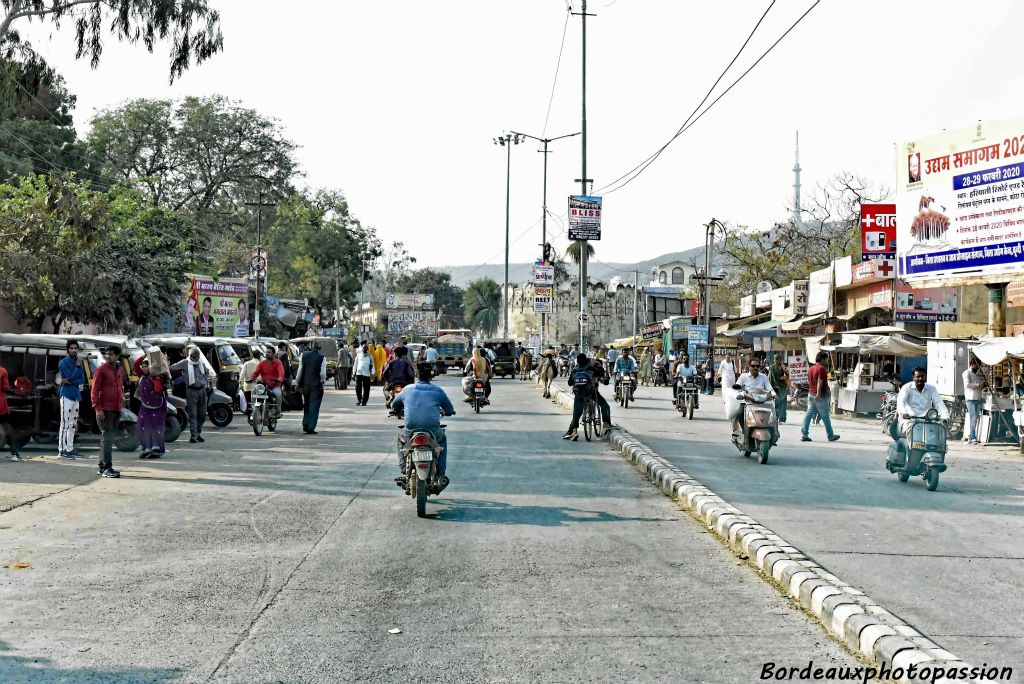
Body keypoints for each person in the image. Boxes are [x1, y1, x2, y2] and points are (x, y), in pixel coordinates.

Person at [392, 362, 456, 489]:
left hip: (410, 430)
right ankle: (441, 474)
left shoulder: (407, 389)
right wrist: (448, 412)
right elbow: (449, 410)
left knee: (400, 439)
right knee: (442, 442)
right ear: (430, 376)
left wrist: (396, 410)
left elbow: (394, 405)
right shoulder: (438, 391)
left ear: (417, 375)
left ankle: (404, 470)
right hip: (433, 430)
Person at [172, 346, 215, 444]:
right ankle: (194, 435)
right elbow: (172, 368)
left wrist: (204, 378)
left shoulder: (201, 363)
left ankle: (198, 433)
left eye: (197, 356)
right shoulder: (184, 363)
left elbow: (207, 372)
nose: (196, 358)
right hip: (191, 391)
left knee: (202, 415)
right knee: (193, 414)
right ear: (190, 356)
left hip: (202, 390)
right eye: (195, 356)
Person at [92, 346, 124, 478]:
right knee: (107, 438)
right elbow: (94, 391)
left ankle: (102, 467)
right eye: (106, 354)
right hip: (105, 409)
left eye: (111, 354)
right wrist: (98, 409)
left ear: (117, 356)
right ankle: (107, 467)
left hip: (116, 408)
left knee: (107, 439)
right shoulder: (101, 370)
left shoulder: (119, 370)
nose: (108, 356)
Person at [563, 353, 610, 440]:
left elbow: (569, 383)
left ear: (577, 361)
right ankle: (607, 423)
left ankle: (573, 431)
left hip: (579, 394)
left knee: (576, 414)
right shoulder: (591, 368)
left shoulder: (575, 369)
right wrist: (599, 367)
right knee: (604, 405)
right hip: (592, 393)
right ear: (586, 359)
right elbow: (601, 374)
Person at [897, 366, 949, 438]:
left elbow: (938, 402)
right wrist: (903, 413)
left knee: (938, 433)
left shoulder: (932, 388)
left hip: (927, 420)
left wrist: (945, 416)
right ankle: (911, 449)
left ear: (926, 377)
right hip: (909, 420)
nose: (920, 379)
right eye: (918, 376)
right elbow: (901, 401)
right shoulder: (906, 387)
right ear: (913, 377)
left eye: (922, 376)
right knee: (910, 430)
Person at [801, 351, 840, 443]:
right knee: (825, 416)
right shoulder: (821, 368)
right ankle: (830, 435)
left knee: (808, 415)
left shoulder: (811, 368)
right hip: (820, 397)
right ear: (822, 359)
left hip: (811, 394)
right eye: (826, 359)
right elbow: (820, 381)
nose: (827, 361)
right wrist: (818, 394)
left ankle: (804, 434)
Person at [57, 339, 86, 459]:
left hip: (76, 396)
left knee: (73, 423)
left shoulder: (79, 362)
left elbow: (82, 379)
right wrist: (77, 368)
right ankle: (62, 450)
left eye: (76, 348)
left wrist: (71, 380)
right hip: (67, 395)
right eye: (71, 348)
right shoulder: (63, 363)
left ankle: (70, 448)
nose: (74, 350)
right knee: (65, 423)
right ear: (68, 350)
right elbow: (69, 377)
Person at [136, 359, 168, 459]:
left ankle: (156, 446)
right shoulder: (141, 376)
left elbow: (158, 390)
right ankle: (146, 447)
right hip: (145, 405)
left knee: (156, 426)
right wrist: (144, 356)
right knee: (143, 426)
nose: (144, 368)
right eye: (143, 367)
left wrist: (157, 379)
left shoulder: (157, 377)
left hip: (157, 405)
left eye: (146, 366)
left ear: (151, 367)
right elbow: (136, 364)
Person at [296, 341, 326, 434]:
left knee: (307, 404)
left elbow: (300, 371)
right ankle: (310, 427)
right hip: (316, 386)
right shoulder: (322, 358)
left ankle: (305, 424)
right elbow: (322, 374)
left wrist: (297, 382)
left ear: (311, 346)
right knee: (314, 406)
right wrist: (322, 382)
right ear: (320, 348)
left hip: (305, 385)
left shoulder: (304, 355)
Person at [250, 347, 286, 417]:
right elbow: (256, 372)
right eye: (266, 352)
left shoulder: (278, 362)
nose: (267, 353)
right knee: (253, 391)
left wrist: (280, 378)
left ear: (273, 354)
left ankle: (278, 411)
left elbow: (281, 372)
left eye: (269, 352)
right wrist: (252, 378)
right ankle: (254, 410)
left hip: (275, 386)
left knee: (278, 395)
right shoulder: (262, 363)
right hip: (264, 385)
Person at [0, 361, 21, 461]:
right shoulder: (2, 371)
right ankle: (14, 454)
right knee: (9, 429)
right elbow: (5, 387)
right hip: (1, 405)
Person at [963, 358, 984, 444]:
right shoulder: (966, 373)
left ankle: (971, 436)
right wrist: (978, 385)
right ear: (972, 364)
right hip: (970, 398)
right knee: (973, 418)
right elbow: (967, 385)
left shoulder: (977, 374)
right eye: (976, 366)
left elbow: (979, 386)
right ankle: (973, 436)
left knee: (975, 418)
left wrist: (982, 385)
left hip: (978, 398)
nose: (977, 368)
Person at [768, 354, 790, 423]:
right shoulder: (772, 367)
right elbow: (770, 378)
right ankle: (777, 418)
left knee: (783, 403)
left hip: (782, 387)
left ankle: (782, 418)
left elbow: (787, 375)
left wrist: (784, 376)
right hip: (776, 387)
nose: (776, 361)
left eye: (778, 359)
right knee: (777, 404)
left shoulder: (782, 367)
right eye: (775, 359)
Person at [241, 349, 262, 415]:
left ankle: (249, 416)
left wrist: (241, 384)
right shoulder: (260, 364)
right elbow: (262, 376)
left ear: (252, 355)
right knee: (257, 402)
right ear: (259, 356)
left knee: (248, 403)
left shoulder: (247, 363)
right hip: (257, 387)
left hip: (247, 387)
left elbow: (242, 375)